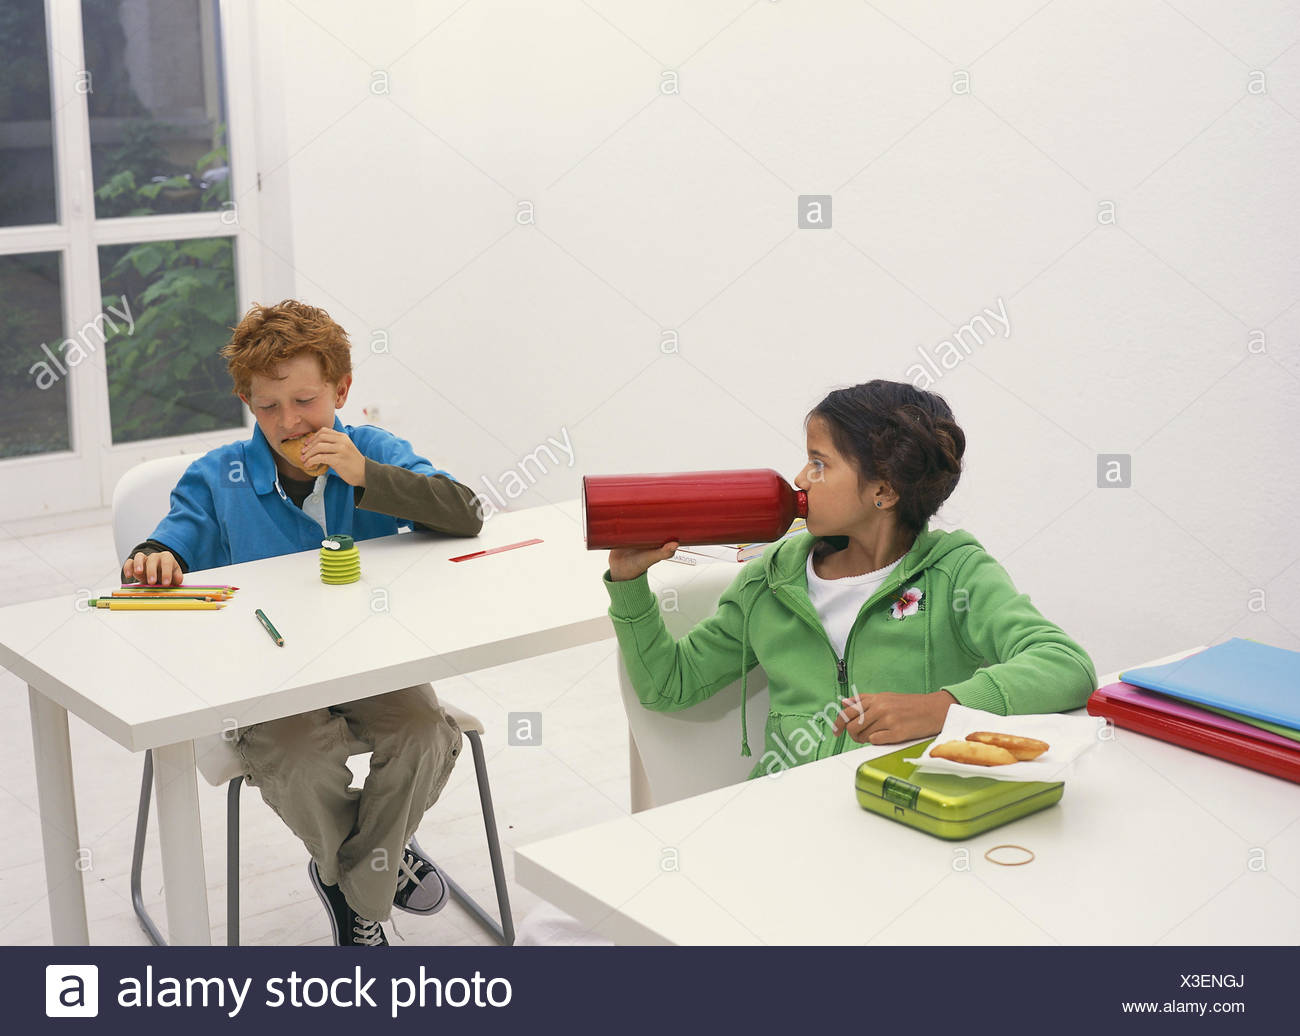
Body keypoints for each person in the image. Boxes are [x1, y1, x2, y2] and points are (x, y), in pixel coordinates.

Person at [121, 299, 482, 945]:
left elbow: (463, 513)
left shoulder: (372, 449)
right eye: (267, 407)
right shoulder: (217, 476)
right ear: (246, 402)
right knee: (296, 757)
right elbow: (175, 537)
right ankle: (375, 872)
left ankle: (349, 886)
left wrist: (365, 474)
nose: (288, 423)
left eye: (306, 401)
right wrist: (157, 557)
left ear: (342, 390)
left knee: (426, 733)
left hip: (373, 659)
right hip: (271, 674)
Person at [603, 380, 1097, 778]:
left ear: (883, 490)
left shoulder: (955, 573)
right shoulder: (769, 583)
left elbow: (1067, 666)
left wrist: (943, 707)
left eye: (820, 463)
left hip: (906, 808)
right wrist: (627, 584)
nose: (800, 477)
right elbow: (668, 686)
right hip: (787, 811)